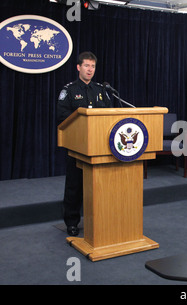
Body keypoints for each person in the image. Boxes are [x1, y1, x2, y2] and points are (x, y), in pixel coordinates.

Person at [56, 51, 113, 236]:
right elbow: (62, 115)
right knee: (75, 185)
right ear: (78, 67)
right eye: (87, 66)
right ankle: (72, 222)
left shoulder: (100, 89)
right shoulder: (69, 90)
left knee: (98, 185)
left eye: (93, 66)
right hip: (78, 146)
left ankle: (98, 219)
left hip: (100, 146)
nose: (90, 70)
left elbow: (109, 114)